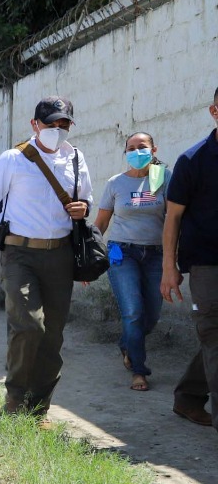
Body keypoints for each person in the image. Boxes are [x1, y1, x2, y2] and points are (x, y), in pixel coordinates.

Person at [0, 97, 92, 417]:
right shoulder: (12, 160)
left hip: (60, 255)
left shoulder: (77, 159)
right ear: (34, 125)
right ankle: (15, 398)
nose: (57, 130)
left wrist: (83, 209)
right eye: (50, 123)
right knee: (29, 326)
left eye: (64, 124)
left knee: (52, 335)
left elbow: (86, 203)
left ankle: (39, 408)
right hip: (18, 254)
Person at [94, 133, 170, 392]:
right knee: (133, 311)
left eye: (142, 147)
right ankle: (139, 370)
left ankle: (127, 344)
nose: (137, 152)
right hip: (122, 253)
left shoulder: (163, 179)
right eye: (131, 148)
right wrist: (88, 258)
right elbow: (101, 223)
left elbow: (174, 219)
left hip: (156, 254)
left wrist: (174, 257)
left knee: (151, 315)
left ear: (153, 149)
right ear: (125, 152)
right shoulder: (115, 183)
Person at [163, 86, 218, 429]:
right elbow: (173, 218)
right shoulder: (193, 160)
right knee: (213, 334)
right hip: (207, 264)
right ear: (214, 112)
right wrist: (169, 267)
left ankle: (188, 396)